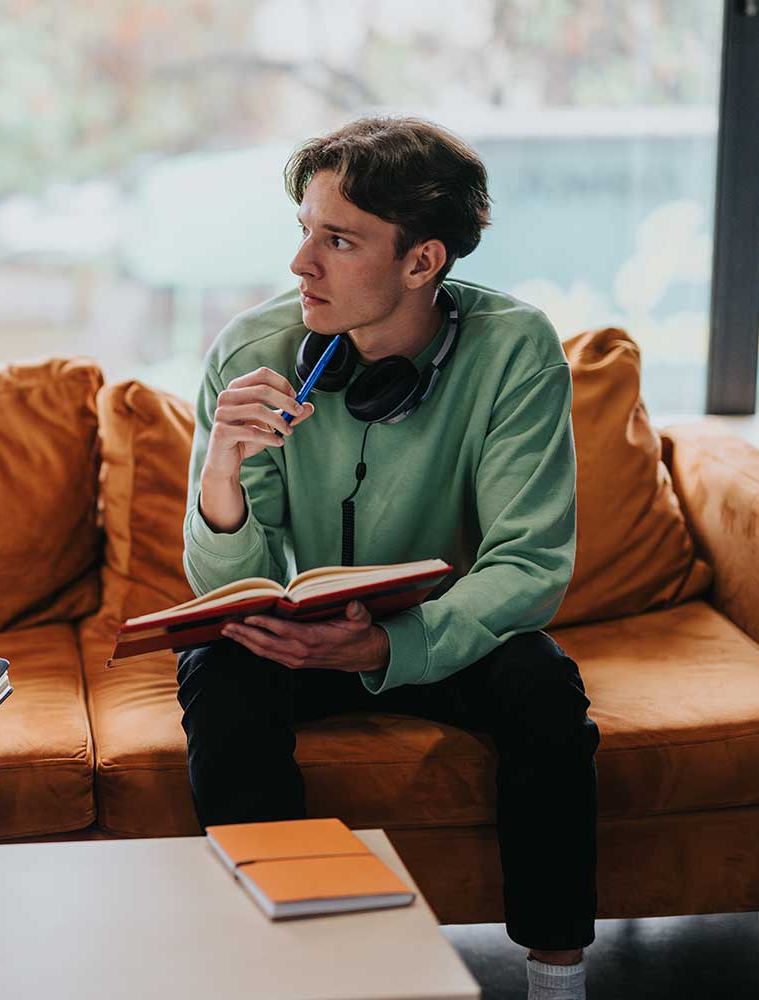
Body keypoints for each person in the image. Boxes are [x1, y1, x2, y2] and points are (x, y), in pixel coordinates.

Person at [177, 116, 597, 1000]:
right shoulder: (251, 356)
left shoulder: (516, 350)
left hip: (438, 628)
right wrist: (221, 471)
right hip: (300, 629)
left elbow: (528, 563)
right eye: (304, 233)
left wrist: (389, 647)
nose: (302, 266)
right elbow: (223, 590)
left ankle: (558, 979)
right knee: (220, 677)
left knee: (544, 689)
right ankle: (291, 974)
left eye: (338, 240)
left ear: (422, 262)